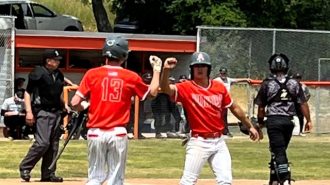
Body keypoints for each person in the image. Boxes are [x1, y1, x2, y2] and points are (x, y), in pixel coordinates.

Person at [70, 36, 162, 185]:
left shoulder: (92, 74)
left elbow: (74, 103)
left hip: (95, 132)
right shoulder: (130, 76)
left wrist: (85, 106)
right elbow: (151, 94)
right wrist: (157, 70)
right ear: (123, 55)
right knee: (116, 178)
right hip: (118, 132)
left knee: (95, 177)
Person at [160, 51, 260, 185]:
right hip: (198, 142)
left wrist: (250, 126)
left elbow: (234, 107)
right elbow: (165, 89)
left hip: (219, 141)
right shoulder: (186, 87)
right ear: (192, 69)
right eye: (196, 66)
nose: (200, 69)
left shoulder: (219, 87)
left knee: (225, 181)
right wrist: (166, 70)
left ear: (208, 69)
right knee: (188, 182)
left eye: (203, 66)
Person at [255, 53, 312, 185]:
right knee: (278, 150)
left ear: (271, 67)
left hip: (274, 121)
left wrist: (260, 122)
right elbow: (303, 103)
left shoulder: (267, 84)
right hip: (288, 122)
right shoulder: (294, 83)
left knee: (279, 151)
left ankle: (285, 179)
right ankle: (274, 179)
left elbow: (261, 107)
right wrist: (308, 120)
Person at [19, 49, 69, 182]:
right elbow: (28, 93)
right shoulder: (38, 73)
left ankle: (48, 173)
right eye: (56, 60)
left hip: (56, 112)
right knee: (43, 143)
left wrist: (65, 106)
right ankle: (25, 167)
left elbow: (57, 94)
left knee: (53, 144)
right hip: (43, 111)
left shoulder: (58, 75)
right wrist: (29, 112)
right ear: (48, 61)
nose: (58, 62)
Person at [214, 67, 251, 137]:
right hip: (218, 100)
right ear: (220, 74)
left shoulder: (228, 80)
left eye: (224, 73)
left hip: (225, 100)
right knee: (219, 116)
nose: (223, 75)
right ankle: (223, 131)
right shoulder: (216, 80)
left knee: (224, 116)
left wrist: (246, 79)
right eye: (222, 73)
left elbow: (237, 80)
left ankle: (224, 131)